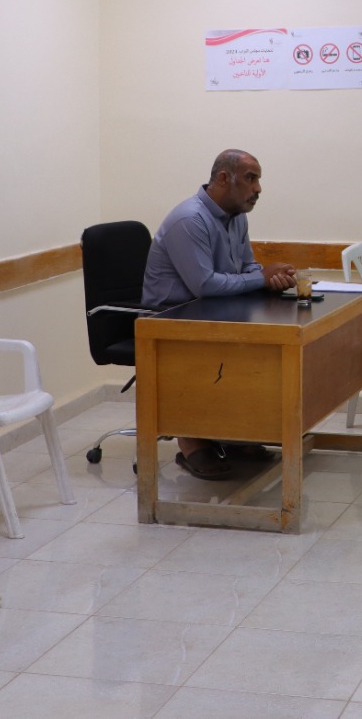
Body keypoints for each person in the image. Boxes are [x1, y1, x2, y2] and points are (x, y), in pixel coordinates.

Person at [143, 149, 297, 479]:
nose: (258, 189)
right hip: (170, 319)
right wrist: (261, 278)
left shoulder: (236, 216)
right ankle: (191, 440)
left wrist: (268, 279)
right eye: (251, 179)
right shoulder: (190, 219)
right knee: (224, 345)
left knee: (261, 345)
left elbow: (247, 265)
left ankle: (231, 431)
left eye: (258, 180)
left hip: (211, 312)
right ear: (224, 178)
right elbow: (204, 284)